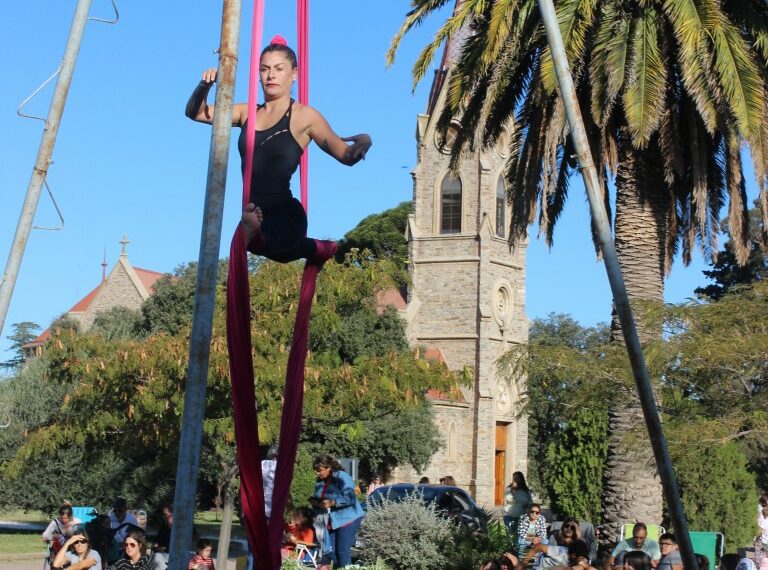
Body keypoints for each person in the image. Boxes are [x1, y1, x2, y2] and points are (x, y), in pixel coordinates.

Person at [185, 37, 372, 265]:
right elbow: (196, 113)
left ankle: (271, 239)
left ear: (294, 74)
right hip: (257, 213)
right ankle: (319, 248)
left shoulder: (305, 116)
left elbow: (347, 156)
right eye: (264, 69)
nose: (270, 75)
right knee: (277, 248)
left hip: (285, 216)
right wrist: (205, 85)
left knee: (269, 244)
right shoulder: (247, 113)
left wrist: (365, 140)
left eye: (278, 69)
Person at [310, 454, 364, 569]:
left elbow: (350, 498)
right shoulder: (320, 481)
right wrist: (316, 502)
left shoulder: (342, 476)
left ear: (329, 467)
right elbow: (320, 497)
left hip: (349, 517)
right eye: (316, 471)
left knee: (342, 551)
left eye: (320, 470)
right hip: (333, 520)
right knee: (331, 552)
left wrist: (333, 503)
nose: (317, 473)